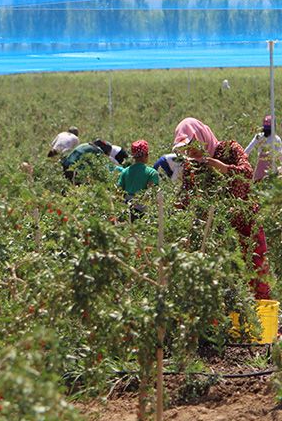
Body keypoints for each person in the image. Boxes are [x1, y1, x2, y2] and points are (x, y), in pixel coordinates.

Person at [174, 117, 270, 300]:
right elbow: (186, 194)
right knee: (226, 281)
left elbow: (248, 173)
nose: (190, 150)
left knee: (257, 272)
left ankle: (264, 320)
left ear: (201, 136)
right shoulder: (192, 165)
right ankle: (234, 323)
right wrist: (179, 206)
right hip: (217, 232)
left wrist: (225, 168)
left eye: (193, 144)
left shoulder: (230, 149)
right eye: (185, 147)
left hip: (246, 222)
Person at [118, 140, 159, 218]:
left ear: (133, 157)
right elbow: (152, 193)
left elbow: (119, 192)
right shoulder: (151, 173)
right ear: (146, 155)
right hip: (141, 210)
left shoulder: (125, 171)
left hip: (125, 208)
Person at [244, 116, 282, 182]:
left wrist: (242, 160)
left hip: (260, 167)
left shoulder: (259, 136)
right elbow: (280, 155)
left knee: (258, 186)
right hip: (271, 166)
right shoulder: (276, 139)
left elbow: (247, 150)